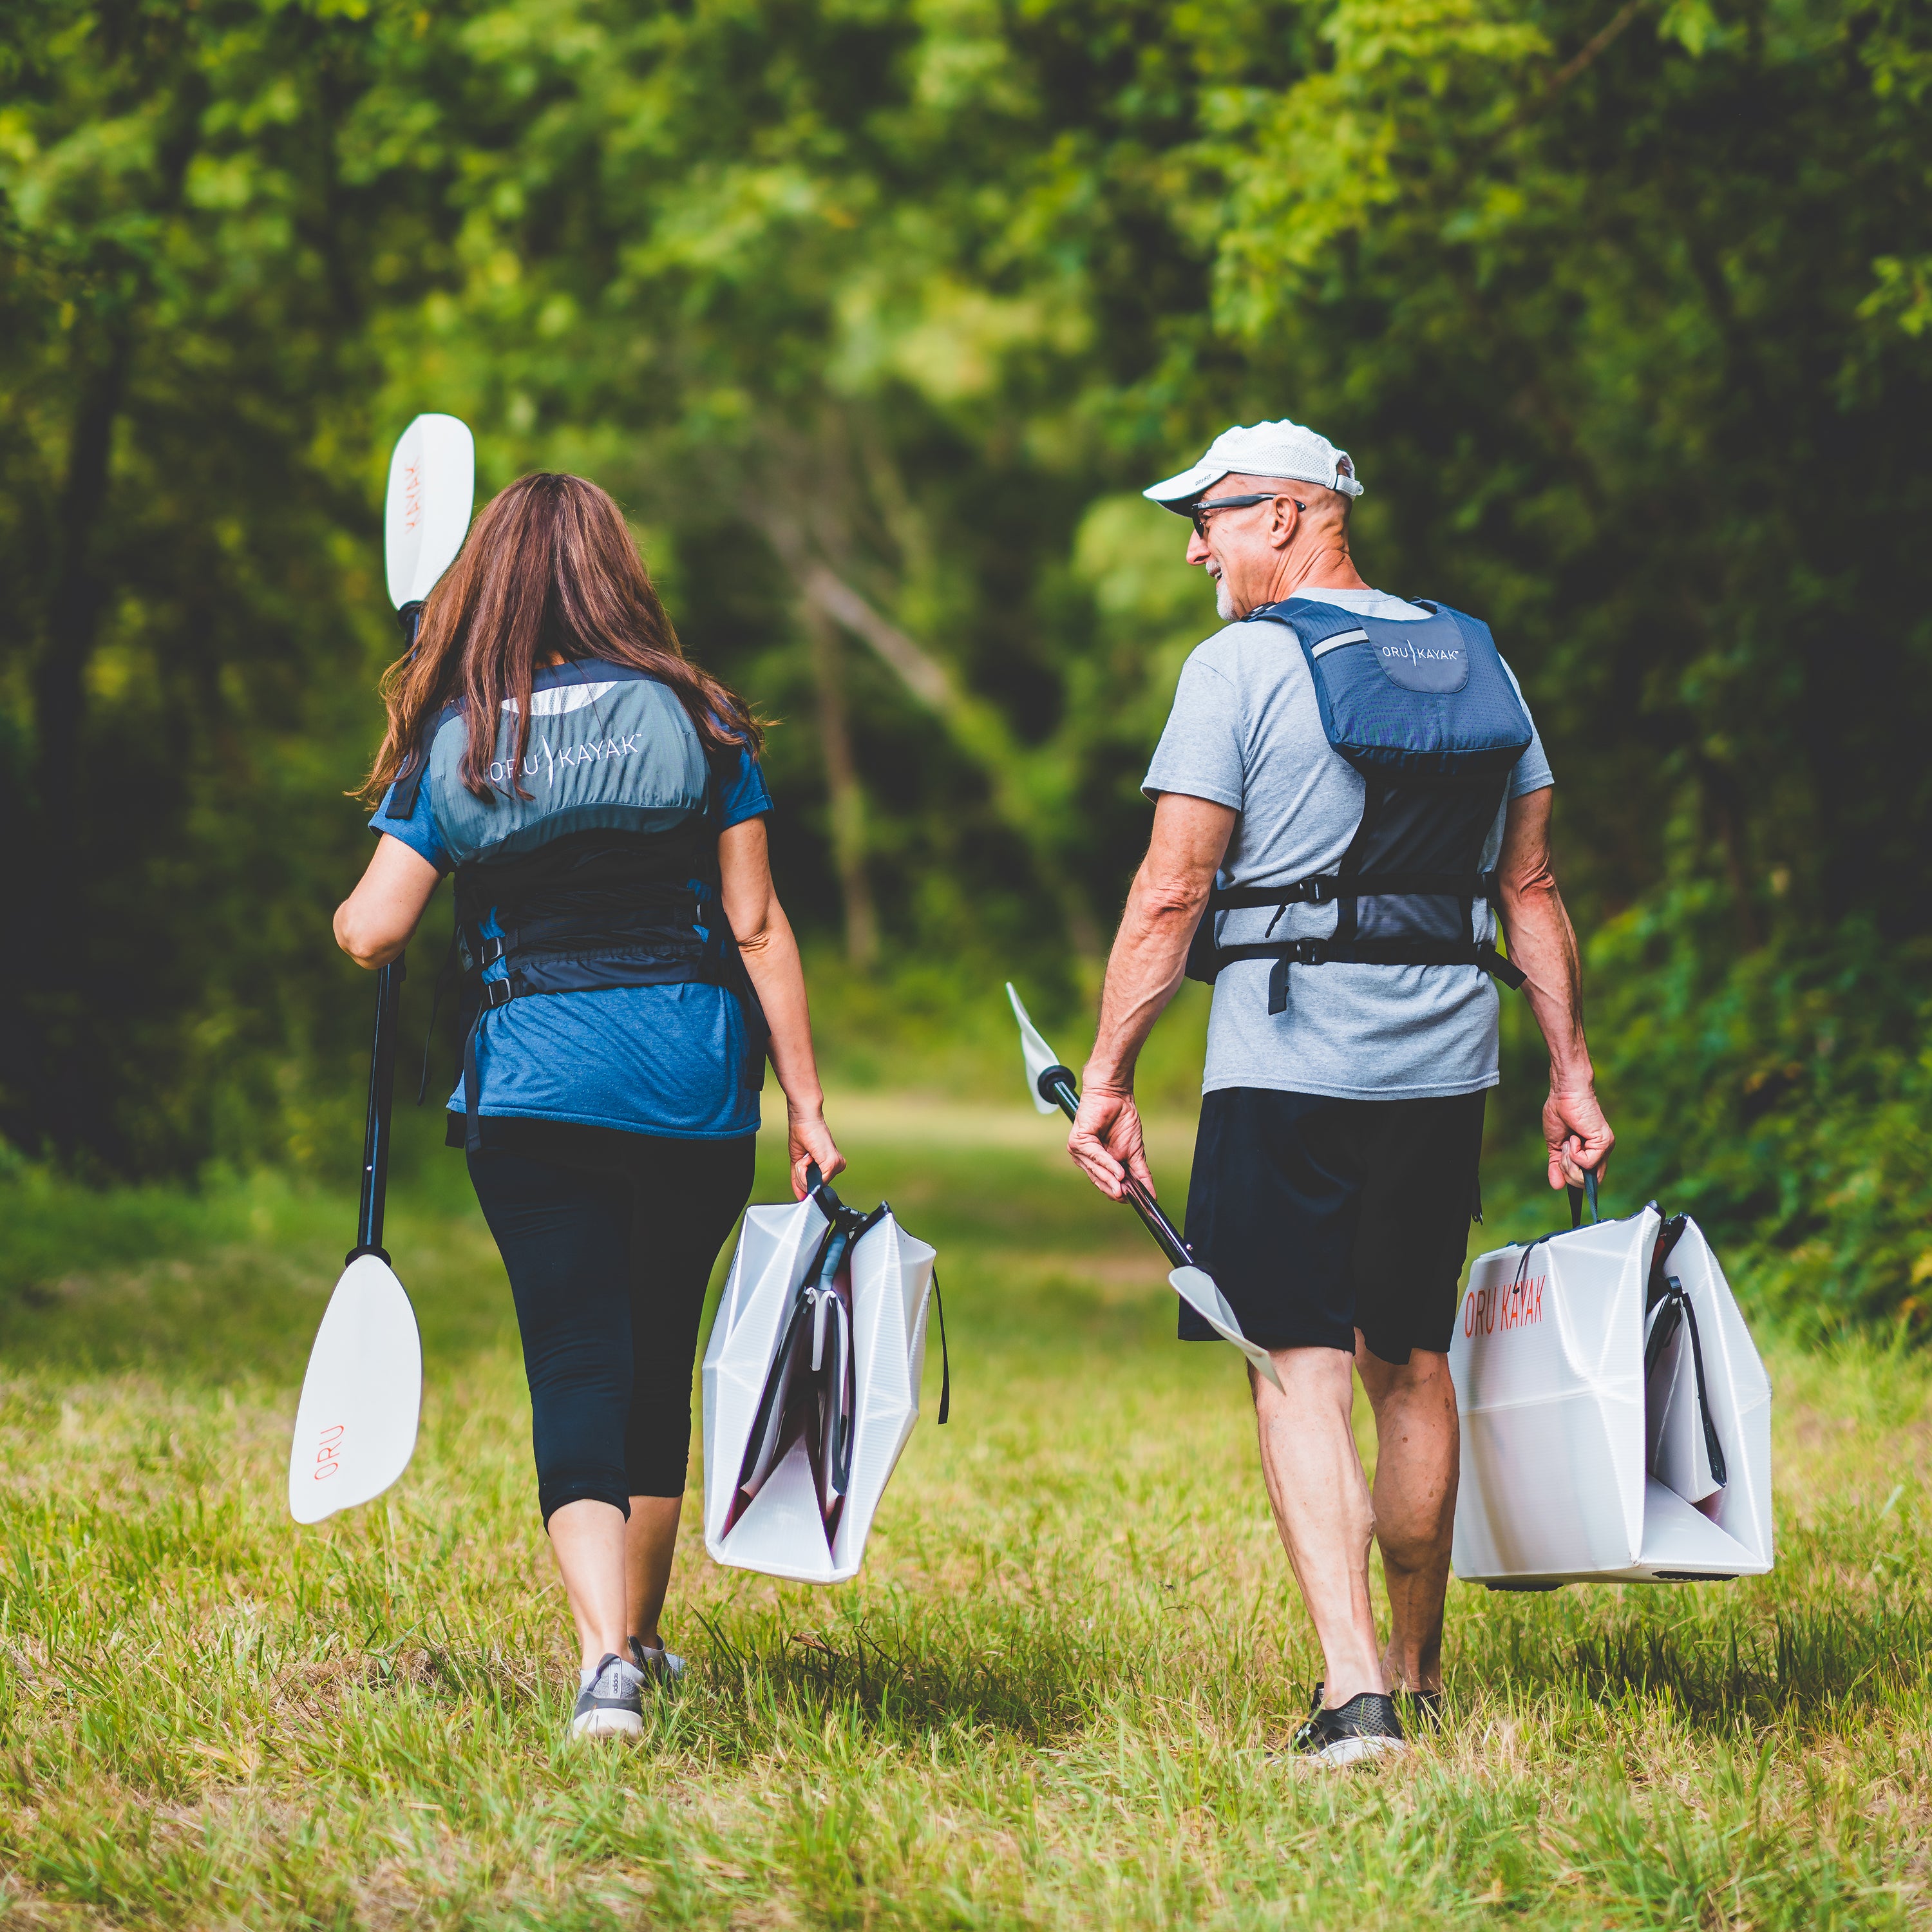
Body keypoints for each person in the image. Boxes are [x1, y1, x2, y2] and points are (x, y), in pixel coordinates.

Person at [1066, 419, 1613, 1765]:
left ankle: (1353, 1694)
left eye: (1213, 516)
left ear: (1297, 514)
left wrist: (1107, 1075)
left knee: (1299, 1366)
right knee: (1411, 1361)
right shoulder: (1479, 660)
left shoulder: (1239, 667)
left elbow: (1173, 886)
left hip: (1287, 1066)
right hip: (1444, 1067)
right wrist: (1571, 1073)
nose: (1196, 545)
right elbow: (1529, 890)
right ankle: (1421, 1681)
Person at [333, 473, 843, 1741]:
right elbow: (759, 925)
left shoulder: (460, 735)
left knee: (573, 1358)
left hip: (536, 1088)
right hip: (694, 1088)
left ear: (489, 582)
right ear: (617, 574)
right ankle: (645, 1643)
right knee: (657, 1362)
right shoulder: (702, 717)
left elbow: (375, 930)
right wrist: (809, 1109)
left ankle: (604, 1662)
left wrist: (364, 903)